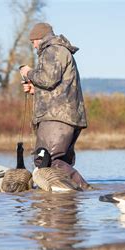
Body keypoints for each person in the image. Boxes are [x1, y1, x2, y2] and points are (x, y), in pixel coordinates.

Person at [19, 22, 91, 190]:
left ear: (39, 37)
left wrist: (28, 72)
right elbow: (57, 87)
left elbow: (47, 79)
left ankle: (84, 190)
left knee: (47, 160)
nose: (34, 46)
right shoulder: (58, 50)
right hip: (63, 116)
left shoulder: (52, 50)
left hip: (56, 118)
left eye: (33, 42)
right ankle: (66, 204)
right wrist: (35, 90)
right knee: (58, 162)